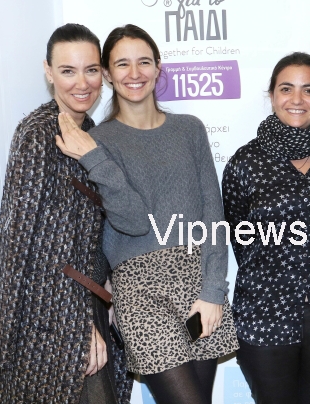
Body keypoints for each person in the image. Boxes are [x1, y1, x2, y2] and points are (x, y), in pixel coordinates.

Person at [55, 24, 239, 404]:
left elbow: (213, 215)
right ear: (108, 74)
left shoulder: (189, 130)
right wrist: (95, 159)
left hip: (197, 286)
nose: (134, 73)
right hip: (140, 292)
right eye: (122, 64)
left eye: (143, 62)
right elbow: (133, 221)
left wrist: (212, 291)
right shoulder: (96, 142)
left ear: (158, 67)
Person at [0, 23, 132, 403]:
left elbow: (99, 229)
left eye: (91, 70)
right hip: (50, 318)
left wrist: (110, 289)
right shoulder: (37, 135)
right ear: (48, 72)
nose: (82, 83)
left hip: (91, 302)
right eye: (68, 71)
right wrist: (76, 328)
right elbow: (26, 248)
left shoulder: (93, 133)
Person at [222, 52, 310, 404]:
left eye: (309, 90)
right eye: (286, 89)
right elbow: (240, 236)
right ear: (272, 96)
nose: (297, 99)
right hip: (263, 311)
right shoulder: (245, 162)